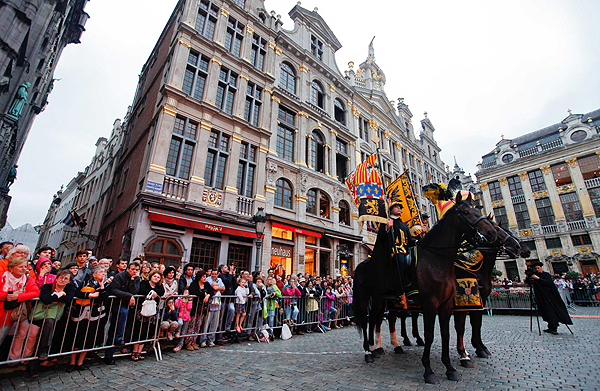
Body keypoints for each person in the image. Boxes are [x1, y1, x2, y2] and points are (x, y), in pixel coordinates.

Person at [368, 201, 416, 300]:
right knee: (401, 262)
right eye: (396, 207)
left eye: (400, 207)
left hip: (405, 250)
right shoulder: (386, 221)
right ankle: (399, 291)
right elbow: (381, 237)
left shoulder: (404, 224)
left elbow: (409, 240)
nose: (399, 208)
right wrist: (387, 227)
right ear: (391, 209)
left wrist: (417, 240)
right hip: (394, 251)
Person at [67, 265, 108, 371]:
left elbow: (104, 297)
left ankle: (80, 362)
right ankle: (72, 362)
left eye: (104, 272)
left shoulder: (105, 284)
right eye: (101, 272)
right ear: (94, 274)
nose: (103, 274)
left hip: (94, 314)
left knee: (88, 338)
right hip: (81, 313)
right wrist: (89, 295)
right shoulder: (85, 282)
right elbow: (76, 292)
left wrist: (102, 287)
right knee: (76, 337)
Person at [104, 261, 140, 365]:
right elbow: (114, 290)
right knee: (114, 329)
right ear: (128, 269)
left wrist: (133, 280)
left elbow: (135, 290)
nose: (134, 272)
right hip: (116, 304)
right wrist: (128, 296)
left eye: (136, 270)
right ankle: (109, 353)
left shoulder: (137, 278)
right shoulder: (119, 276)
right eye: (133, 269)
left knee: (125, 325)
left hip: (128, 306)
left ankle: (117, 345)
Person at [0, 257, 40, 347]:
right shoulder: (2, 277)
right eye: (20, 266)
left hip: (9, 317)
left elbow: (36, 292)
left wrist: (18, 296)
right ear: (11, 268)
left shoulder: (27, 279)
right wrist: (8, 295)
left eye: (25, 267)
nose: (23, 269)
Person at [526, 261, 573, 335]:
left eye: (538, 268)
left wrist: (538, 278)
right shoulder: (534, 275)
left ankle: (554, 327)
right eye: (536, 268)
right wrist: (528, 277)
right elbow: (529, 283)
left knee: (551, 311)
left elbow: (548, 282)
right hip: (540, 296)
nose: (537, 269)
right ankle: (550, 326)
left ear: (541, 268)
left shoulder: (546, 275)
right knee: (544, 312)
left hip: (549, 296)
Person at [131, 270, 164, 361]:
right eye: (154, 276)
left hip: (152, 310)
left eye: (158, 277)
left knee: (146, 331)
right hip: (142, 309)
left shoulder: (159, 286)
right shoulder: (144, 283)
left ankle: (140, 351)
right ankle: (134, 350)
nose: (156, 278)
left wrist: (154, 292)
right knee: (138, 330)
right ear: (151, 276)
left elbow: (161, 292)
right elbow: (141, 290)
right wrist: (152, 292)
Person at [188, 270, 212, 349]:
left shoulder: (206, 284)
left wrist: (207, 295)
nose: (205, 278)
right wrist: (203, 295)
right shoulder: (194, 284)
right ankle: (188, 341)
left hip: (202, 308)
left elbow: (211, 291)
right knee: (191, 325)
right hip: (194, 307)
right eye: (203, 277)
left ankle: (194, 341)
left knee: (198, 325)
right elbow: (193, 292)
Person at [200, 269, 224, 347]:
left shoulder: (219, 280)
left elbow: (223, 288)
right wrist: (217, 287)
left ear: (218, 274)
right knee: (206, 323)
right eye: (212, 274)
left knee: (214, 323)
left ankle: (211, 340)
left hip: (217, 304)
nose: (213, 275)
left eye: (215, 274)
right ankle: (203, 340)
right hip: (210, 304)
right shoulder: (208, 280)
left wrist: (218, 287)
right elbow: (214, 287)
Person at [173, 288, 193, 353]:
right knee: (180, 323)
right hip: (180, 316)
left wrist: (190, 301)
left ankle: (180, 344)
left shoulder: (188, 301)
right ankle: (177, 332)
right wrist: (180, 299)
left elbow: (189, 308)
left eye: (187, 293)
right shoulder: (179, 299)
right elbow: (177, 305)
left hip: (186, 317)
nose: (187, 294)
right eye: (185, 293)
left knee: (184, 331)